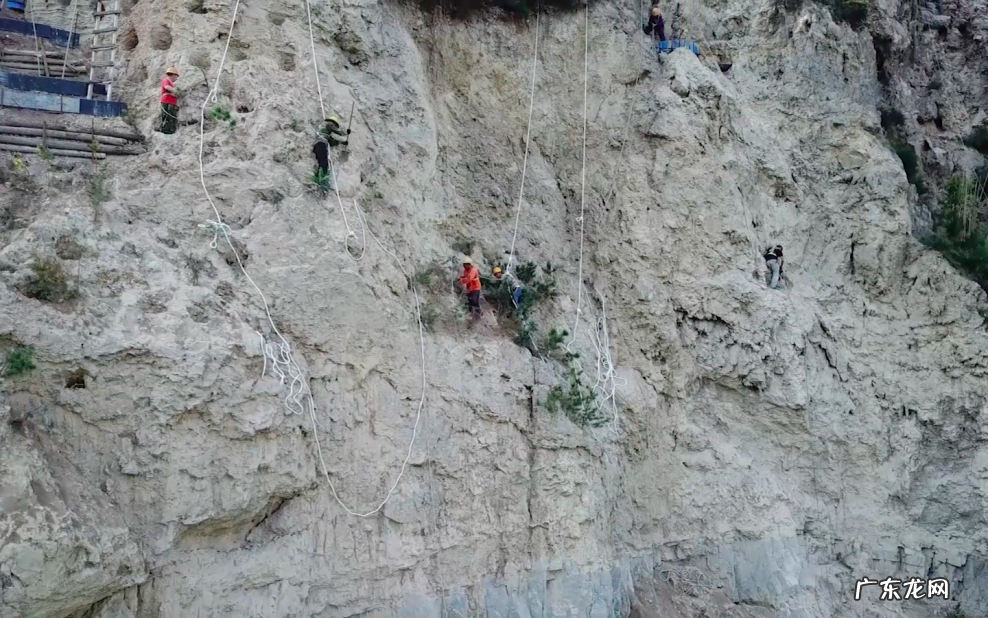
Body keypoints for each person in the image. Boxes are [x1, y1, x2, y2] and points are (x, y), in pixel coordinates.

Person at [312, 116, 350, 185]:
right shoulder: (328, 124)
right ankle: (322, 179)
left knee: (321, 162)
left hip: (317, 145)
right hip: (321, 144)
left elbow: (332, 141)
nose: (334, 126)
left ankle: (316, 177)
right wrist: (346, 132)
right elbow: (337, 131)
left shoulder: (325, 132)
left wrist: (342, 142)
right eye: (335, 125)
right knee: (324, 162)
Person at [158, 67, 181, 135]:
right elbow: (167, 87)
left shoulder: (171, 83)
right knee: (167, 116)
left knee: (171, 116)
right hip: (166, 101)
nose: (176, 78)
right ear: (173, 75)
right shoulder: (166, 80)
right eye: (176, 76)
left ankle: (171, 130)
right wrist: (175, 91)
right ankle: (166, 131)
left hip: (171, 102)